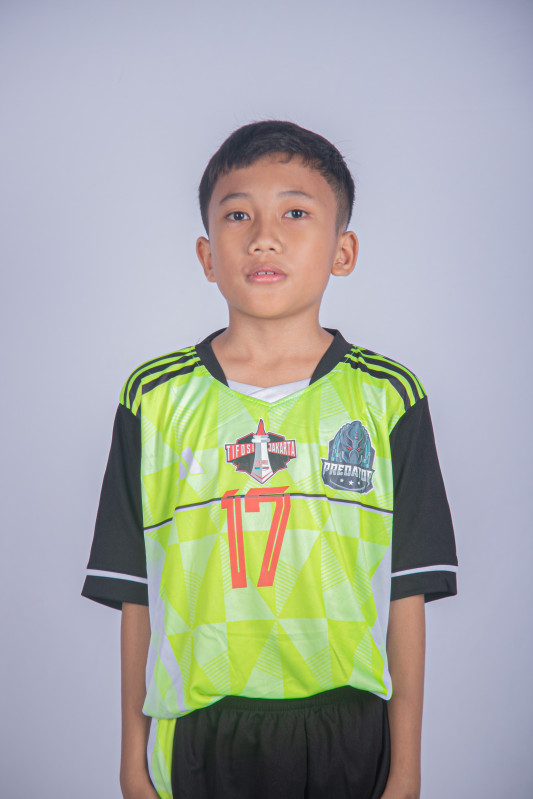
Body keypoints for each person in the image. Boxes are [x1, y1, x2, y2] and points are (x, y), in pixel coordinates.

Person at [82, 120, 458, 799]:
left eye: (294, 212)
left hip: (346, 731)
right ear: (206, 255)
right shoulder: (155, 399)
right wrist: (131, 763)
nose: (263, 236)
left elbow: (406, 594)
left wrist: (406, 771)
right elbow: (136, 593)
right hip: (196, 734)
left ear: (343, 250)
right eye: (237, 215)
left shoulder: (386, 397)